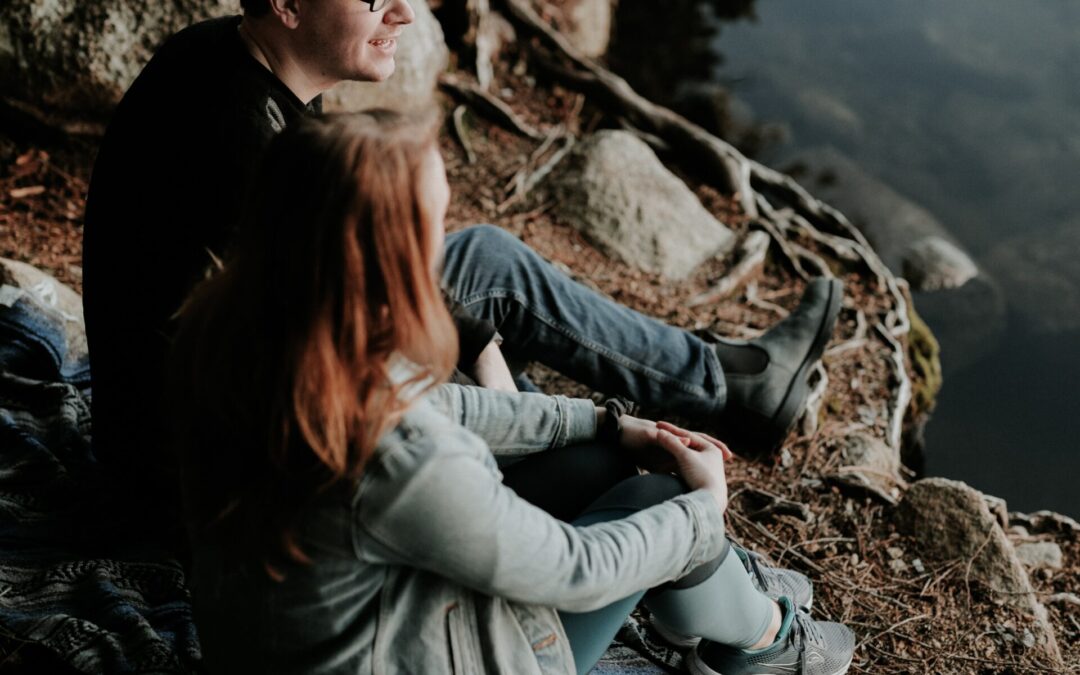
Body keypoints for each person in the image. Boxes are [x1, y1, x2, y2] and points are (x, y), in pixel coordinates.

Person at [169, 110, 855, 675]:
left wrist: (605, 422)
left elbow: (449, 405)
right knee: (660, 501)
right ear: (389, 261)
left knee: (602, 461)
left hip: (330, 633)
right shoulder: (395, 457)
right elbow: (574, 567)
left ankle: (717, 618)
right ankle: (770, 645)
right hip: (409, 647)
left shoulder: (253, 339)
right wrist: (706, 508)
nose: (446, 242)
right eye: (435, 225)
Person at [82, 0, 842, 509]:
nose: (403, 12)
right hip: (197, 476)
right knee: (555, 432)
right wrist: (503, 386)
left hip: (225, 399)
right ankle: (716, 399)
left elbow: (354, 274)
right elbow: (346, 348)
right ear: (286, 4)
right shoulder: (238, 139)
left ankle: (731, 382)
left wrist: (478, 344)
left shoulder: (232, 62)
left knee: (483, 262)